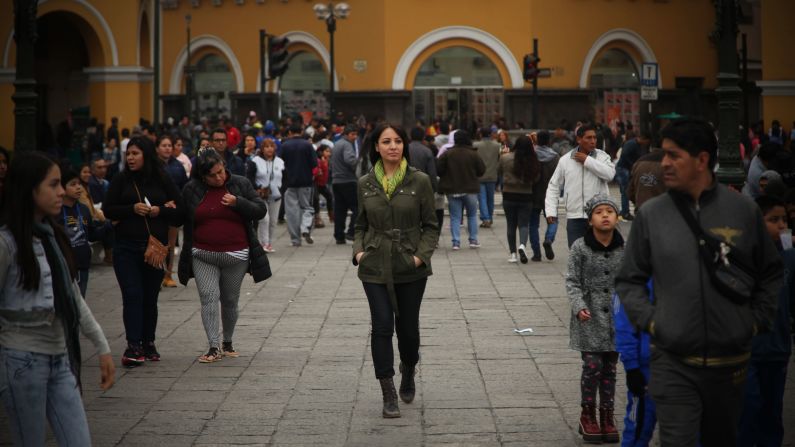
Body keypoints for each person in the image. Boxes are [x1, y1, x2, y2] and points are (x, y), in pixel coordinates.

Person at [615, 119, 783, 446]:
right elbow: (628, 280)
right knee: (677, 439)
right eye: (663, 154)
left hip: (729, 363)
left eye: (673, 155)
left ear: (702, 160)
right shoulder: (652, 216)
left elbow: (771, 272)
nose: (664, 163)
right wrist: (652, 322)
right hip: (672, 360)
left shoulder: (741, 211)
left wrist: (753, 321)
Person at [0, 151, 115, 445]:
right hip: (21, 360)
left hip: (60, 357)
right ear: (29, 188)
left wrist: (101, 345)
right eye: (53, 184)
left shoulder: (53, 236)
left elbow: (72, 294)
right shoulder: (7, 243)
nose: (61, 191)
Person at [352, 123, 439, 418]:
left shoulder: (420, 180)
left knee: (408, 331)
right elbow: (360, 225)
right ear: (376, 146)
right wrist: (359, 253)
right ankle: (387, 390)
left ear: (404, 145)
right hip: (374, 265)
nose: (393, 146)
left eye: (398, 141)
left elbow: (431, 225)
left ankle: (409, 367)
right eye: (386, 141)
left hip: (409, 266)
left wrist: (420, 257)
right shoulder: (365, 182)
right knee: (381, 327)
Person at [179, 148, 269, 363]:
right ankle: (213, 346)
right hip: (203, 254)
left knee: (230, 300)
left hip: (236, 255)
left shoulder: (240, 184)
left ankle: (227, 341)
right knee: (209, 298)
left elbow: (260, 209)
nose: (219, 177)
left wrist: (238, 202)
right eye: (212, 175)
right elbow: (182, 217)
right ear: (203, 176)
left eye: (221, 171)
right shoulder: (192, 189)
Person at [104, 136, 184, 367]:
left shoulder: (162, 179)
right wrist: (131, 208)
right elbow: (109, 210)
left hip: (154, 249)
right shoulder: (121, 180)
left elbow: (181, 210)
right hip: (126, 248)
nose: (130, 158)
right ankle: (133, 345)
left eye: (135, 153)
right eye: (128, 153)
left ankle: (149, 342)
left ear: (146, 155)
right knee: (132, 295)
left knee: (150, 297)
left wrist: (160, 211)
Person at [566, 194, 624, 444]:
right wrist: (579, 306)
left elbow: (632, 279)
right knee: (592, 367)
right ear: (590, 219)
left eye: (609, 211)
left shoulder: (624, 247)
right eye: (599, 212)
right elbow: (572, 281)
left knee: (610, 369)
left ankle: (607, 415)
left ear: (617, 217)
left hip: (615, 317)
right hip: (589, 317)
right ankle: (587, 413)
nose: (604, 216)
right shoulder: (580, 246)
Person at [737, 195, 794, 447]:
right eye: (774, 219)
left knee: (772, 414)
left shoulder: (790, 257)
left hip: (777, 348)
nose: (781, 225)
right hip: (745, 351)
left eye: (784, 219)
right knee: (747, 411)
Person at [545, 125, 615, 248]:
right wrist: (551, 210)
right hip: (574, 217)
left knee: (597, 254)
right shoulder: (565, 160)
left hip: (596, 216)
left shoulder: (602, 157)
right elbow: (554, 186)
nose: (593, 141)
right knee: (575, 254)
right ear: (579, 139)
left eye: (594, 138)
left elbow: (609, 175)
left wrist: (587, 161)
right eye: (588, 138)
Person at [437, 131, 486, 250]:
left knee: (455, 217)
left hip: (452, 189)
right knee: (472, 215)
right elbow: (481, 170)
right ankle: (473, 240)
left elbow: (439, 169)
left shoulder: (448, 154)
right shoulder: (473, 154)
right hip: (470, 189)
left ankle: (456, 242)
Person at [498, 135, 540, 264]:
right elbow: (537, 178)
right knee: (523, 224)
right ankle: (522, 245)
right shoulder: (533, 160)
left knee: (511, 224)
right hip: (526, 195)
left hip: (509, 194)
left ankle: (513, 254)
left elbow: (499, 171)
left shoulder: (505, 158)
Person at [60, 166, 98, 298]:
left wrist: (109, 226)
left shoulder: (84, 209)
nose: (78, 188)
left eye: (79, 184)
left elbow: (92, 234)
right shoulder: (56, 211)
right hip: (63, 265)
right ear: (61, 188)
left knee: (80, 300)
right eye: (73, 184)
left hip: (82, 264)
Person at [281, 123, 318, 246]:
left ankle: (295, 240)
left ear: (290, 133)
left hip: (289, 183)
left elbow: (279, 164)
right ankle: (305, 228)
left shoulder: (284, 146)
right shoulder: (307, 145)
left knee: (291, 212)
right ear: (301, 132)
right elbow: (314, 163)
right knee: (307, 207)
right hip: (306, 181)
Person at [248, 138, 284, 253]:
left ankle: (269, 242)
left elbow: (286, 177)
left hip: (276, 196)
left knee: (273, 221)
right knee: (264, 219)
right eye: (266, 147)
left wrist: (282, 189)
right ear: (262, 149)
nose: (269, 149)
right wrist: (257, 188)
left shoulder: (280, 161)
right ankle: (264, 243)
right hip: (260, 195)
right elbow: (250, 177)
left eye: (271, 146)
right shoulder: (255, 161)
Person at [530, 130, 560, 261]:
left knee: (533, 224)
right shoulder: (555, 157)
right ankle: (549, 238)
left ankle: (536, 253)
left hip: (533, 193)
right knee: (552, 219)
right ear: (549, 141)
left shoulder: (532, 155)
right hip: (550, 193)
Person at [331, 125, 360, 244]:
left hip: (336, 181)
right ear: (347, 135)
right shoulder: (347, 145)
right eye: (353, 134)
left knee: (340, 210)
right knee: (358, 208)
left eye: (356, 134)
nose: (355, 137)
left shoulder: (337, 144)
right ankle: (351, 232)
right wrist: (358, 164)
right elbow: (350, 160)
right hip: (347, 180)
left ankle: (339, 236)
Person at [615, 131, 650, 220]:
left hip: (627, 169)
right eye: (646, 142)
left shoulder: (638, 145)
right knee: (625, 191)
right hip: (624, 169)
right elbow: (625, 156)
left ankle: (625, 211)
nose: (646, 144)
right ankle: (625, 212)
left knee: (627, 190)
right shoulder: (631, 144)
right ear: (643, 139)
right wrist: (634, 167)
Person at [475, 128, 501, 228]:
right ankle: (489, 217)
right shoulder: (497, 145)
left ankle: (485, 218)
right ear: (491, 135)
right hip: (492, 174)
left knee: (482, 198)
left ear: (481, 134)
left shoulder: (476, 145)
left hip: (480, 175)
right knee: (490, 198)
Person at [627, 147, 666, 211]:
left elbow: (630, 191)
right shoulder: (671, 163)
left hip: (642, 210)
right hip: (663, 211)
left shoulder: (639, 162)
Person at [312, 144, 333, 229]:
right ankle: (317, 218)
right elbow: (315, 171)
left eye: (329, 152)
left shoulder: (327, 160)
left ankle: (331, 214)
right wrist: (318, 172)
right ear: (321, 152)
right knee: (316, 199)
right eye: (327, 151)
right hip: (315, 183)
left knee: (329, 196)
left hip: (322, 184)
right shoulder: (318, 160)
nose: (329, 153)